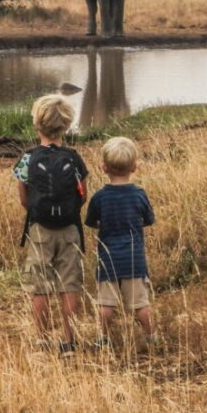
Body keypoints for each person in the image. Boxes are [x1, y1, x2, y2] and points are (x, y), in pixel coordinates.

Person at [12, 94, 88, 354]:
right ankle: (68, 340)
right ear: (66, 125)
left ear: (37, 125)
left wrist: (35, 210)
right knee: (70, 284)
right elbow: (83, 194)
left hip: (39, 228)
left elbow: (23, 196)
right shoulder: (74, 158)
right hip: (69, 228)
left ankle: (42, 339)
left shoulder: (27, 158)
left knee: (40, 286)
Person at [85, 136, 156, 351]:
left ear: (103, 167)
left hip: (108, 258)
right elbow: (148, 220)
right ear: (135, 167)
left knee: (106, 304)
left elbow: (91, 222)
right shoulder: (139, 194)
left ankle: (103, 337)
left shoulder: (99, 197)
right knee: (140, 304)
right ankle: (151, 336)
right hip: (134, 258)